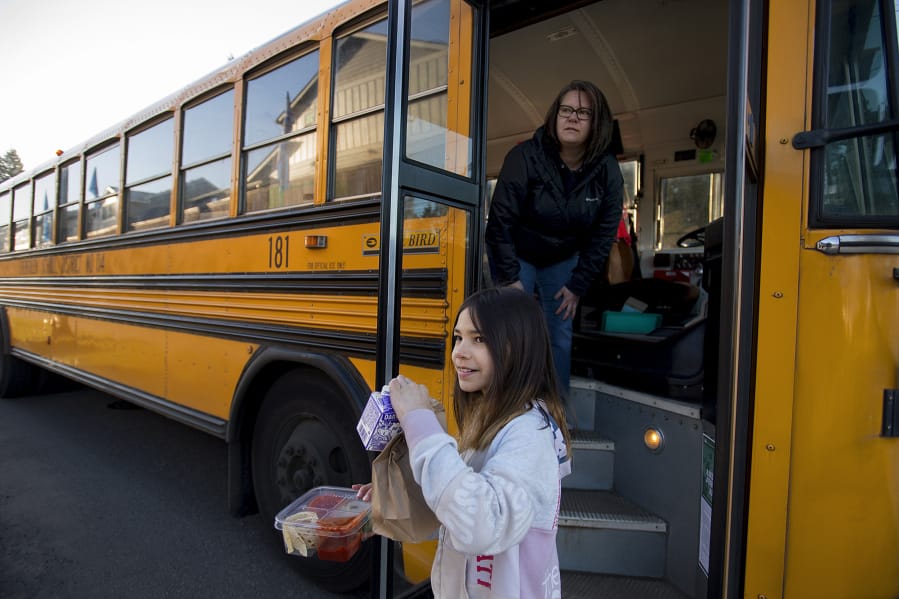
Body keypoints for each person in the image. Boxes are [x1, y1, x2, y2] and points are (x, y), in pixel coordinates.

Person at [355, 287, 572, 598]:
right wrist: (391, 497)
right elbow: (457, 510)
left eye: (479, 339)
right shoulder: (490, 419)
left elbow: (480, 525)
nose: (459, 352)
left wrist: (419, 420)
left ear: (518, 346)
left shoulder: (529, 434)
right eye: (458, 337)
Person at [485, 80, 624, 398]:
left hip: (563, 257)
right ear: (554, 116)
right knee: (514, 327)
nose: (572, 117)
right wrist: (508, 278)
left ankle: (556, 412)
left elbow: (603, 235)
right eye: (566, 109)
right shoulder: (523, 156)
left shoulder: (608, 171)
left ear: (596, 123)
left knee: (559, 332)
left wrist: (578, 285)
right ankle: (509, 406)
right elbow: (500, 222)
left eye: (583, 112)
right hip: (517, 251)